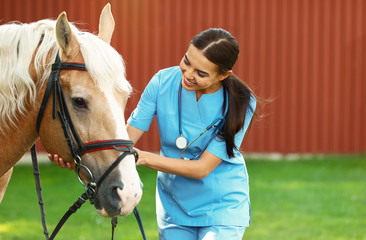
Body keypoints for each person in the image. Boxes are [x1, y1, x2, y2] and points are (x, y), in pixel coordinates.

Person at [50, 28, 260, 240]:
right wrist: (79, 160)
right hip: (174, 206)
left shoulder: (242, 102)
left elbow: (201, 168)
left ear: (223, 75)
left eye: (201, 73)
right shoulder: (162, 82)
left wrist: (143, 158)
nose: (188, 75)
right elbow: (124, 141)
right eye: (187, 62)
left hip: (222, 206)